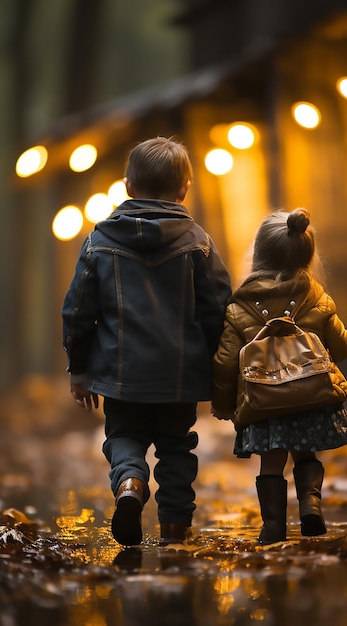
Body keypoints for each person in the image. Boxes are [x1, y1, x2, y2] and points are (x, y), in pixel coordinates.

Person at [62, 137, 232, 547]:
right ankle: (175, 527)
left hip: (120, 375)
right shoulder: (198, 242)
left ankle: (131, 484)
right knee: (177, 447)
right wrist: (220, 367)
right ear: (184, 189)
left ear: (127, 187)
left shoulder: (99, 241)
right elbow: (218, 308)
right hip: (179, 375)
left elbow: (78, 310)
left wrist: (79, 369)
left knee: (123, 436)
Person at [211, 208, 347, 545]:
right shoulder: (317, 298)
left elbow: (225, 362)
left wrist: (223, 404)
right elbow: (343, 346)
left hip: (265, 405)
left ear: (258, 255)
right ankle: (311, 507)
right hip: (311, 398)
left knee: (271, 466)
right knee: (307, 454)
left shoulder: (239, 308)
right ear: (307, 256)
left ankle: (273, 526)